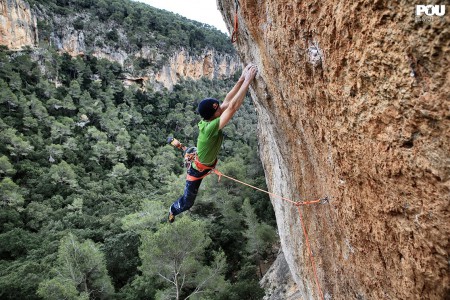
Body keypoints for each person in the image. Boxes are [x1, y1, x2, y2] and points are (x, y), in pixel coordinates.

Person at [168, 63, 258, 223]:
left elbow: (226, 102)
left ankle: (178, 145)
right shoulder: (210, 128)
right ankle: (173, 210)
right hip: (198, 170)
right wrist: (247, 82)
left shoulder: (211, 117)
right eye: (217, 110)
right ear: (212, 114)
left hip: (199, 154)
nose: (220, 109)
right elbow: (232, 107)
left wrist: (242, 78)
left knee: (189, 150)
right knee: (188, 201)